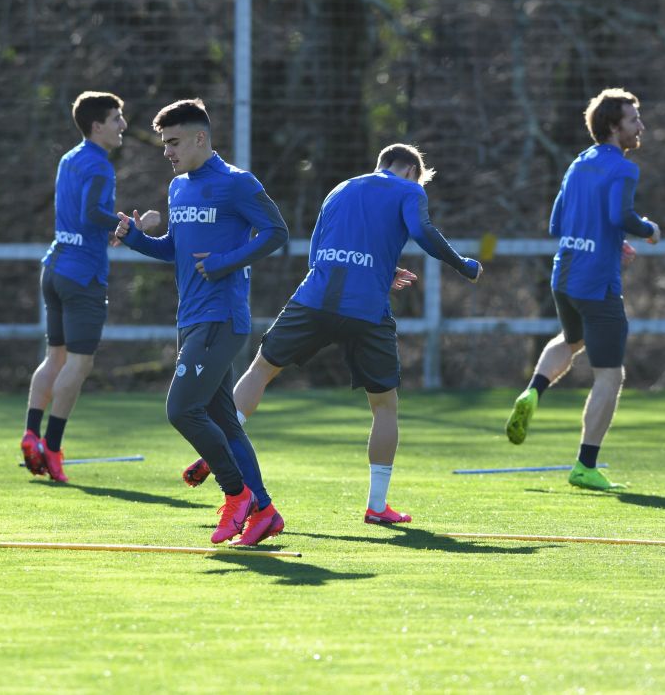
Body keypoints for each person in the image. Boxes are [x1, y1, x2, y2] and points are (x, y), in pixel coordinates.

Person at [180, 144, 482, 525]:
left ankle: (218, 447)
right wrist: (462, 264)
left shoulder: (341, 189)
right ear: (410, 171)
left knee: (260, 370)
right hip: (367, 310)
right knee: (384, 406)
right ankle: (376, 507)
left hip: (314, 299)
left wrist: (381, 272)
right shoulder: (409, 190)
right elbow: (422, 230)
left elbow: (317, 255)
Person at [114, 98, 288, 546]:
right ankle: (265, 512)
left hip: (221, 317)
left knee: (181, 410)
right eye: (163, 143)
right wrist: (135, 238)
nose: (166, 151)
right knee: (224, 422)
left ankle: (237, 495)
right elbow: (175, 248)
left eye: (173, 142)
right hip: (191, 319)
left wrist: (227, 261)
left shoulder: (236, 183)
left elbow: (277, 232)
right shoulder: (178, 188)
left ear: (199, 138)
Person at [504, 88, 660, 491]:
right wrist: (648, 229)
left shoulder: (578, 163)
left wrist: (610, 240)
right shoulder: (623, 168)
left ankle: (533, 391)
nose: (640, 126)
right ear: (613, 127)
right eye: (633, 120)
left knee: (571, 340)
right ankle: (585, 466)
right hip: (597, 283)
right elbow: (620, 215)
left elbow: (557, 223)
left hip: (564, 275)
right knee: (610, 375)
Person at [21, 91, 129, 483]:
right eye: (116, 118)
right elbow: (93, 212)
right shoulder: (100, 165)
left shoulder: (69, 157)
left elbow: (81, 218)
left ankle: (31, 435)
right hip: (82, 275)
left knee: (55, 357)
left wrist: (108, 230)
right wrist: (127, 225)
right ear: (97, 126)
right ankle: (51, 447)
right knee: (79, 363)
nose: (123, 125)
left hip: (55, 267)